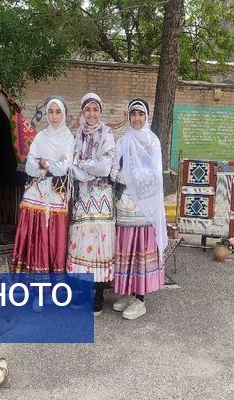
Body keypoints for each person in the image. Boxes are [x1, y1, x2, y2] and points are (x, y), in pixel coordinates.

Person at [11, 97, 75, 310]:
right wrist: (48, 164)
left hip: (56, 198)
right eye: (51, 112)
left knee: (53, 243)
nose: (54, 116)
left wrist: (43, 163)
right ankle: (34, 290)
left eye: (58, 112)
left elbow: (63, 168)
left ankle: (51, 291)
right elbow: (29, 166)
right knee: (36, 240)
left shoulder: (69, 138)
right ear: (47, 114)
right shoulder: (40, 136)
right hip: (35, 195)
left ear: (64, 114)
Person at [110, 98, 167, 320]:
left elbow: (153, 176)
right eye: (133, 114)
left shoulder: (152, 142)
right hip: (125, 204)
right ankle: (128, 292)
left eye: (140, 114)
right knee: (127, 249)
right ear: (128, 116)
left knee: (140, 250)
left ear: (146, 116)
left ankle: (140, 299)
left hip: (145, 207)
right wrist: (123, 175)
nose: (136, 119)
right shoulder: (123, 141)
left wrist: (128, 176)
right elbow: (114, 170)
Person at [67, 93, 116, 316]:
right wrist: (87, 167)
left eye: (95, 109)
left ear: (101, 112)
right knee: (83, 244)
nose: (92, 114)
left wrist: (83, 164)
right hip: (82, 199)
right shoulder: (77, 135)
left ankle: (99, 294)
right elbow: (71, 167)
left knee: (99, 246)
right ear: (82, 112)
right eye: (88, 110)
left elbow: (105, 168)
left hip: (102, 201)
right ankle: (84, 290)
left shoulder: (107, 134)